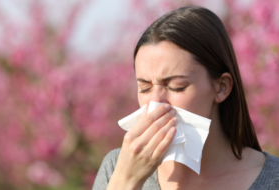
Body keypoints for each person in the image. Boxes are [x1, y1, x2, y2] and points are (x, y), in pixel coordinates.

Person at [92, 6, 279, 190]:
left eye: (176, 87)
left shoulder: (273, 179)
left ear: (221, 87)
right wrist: (126, 181)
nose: (156, 104)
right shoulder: (116, 167)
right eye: (145, 88)